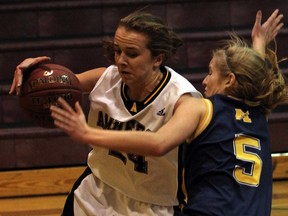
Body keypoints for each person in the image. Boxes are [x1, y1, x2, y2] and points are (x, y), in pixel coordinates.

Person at [10, 9, 284, 216]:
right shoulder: (107, 78)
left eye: (131, 53)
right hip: (97, 190)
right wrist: (35, 72)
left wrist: (87, 132)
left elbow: (159, 143)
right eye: (117, 50)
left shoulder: (188, 101)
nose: (120, 60)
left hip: (154, 206)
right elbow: (57, 87)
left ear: (158, 58)